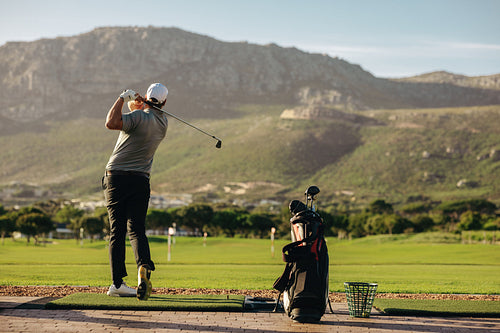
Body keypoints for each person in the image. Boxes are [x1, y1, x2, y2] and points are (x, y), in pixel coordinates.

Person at [102, 83, 169, 300]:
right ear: (165, 102)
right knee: (137, 230)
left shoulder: (138, 118)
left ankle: (117, 283)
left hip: (116, 178)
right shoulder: (163, 123)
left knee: (117, 232)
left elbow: (111, 122)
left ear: (148, 98)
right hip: (140, 180)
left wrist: (122, 98)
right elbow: (140, 111)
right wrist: (139, 102)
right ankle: (143, 267)